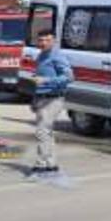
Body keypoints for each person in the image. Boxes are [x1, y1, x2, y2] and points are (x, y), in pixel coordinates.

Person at [29, 29, 73, 178]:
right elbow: (40, 78)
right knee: (47, 132)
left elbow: (69, 77)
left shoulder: (58, 56)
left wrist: (47, 80)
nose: (43, 43)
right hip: (41, 97)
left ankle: (40, 165)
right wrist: (34, 99)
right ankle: (51, 164)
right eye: (41, 40)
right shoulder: (41, 55)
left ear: (53, 41)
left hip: (54, 98)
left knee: (42, 131)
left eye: (47, 40)